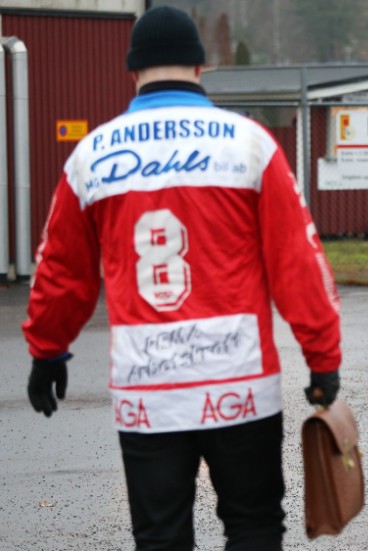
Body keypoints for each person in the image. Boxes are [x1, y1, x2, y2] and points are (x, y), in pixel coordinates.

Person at [21, 7, 343, 549]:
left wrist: (47, 350)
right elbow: (298, 262)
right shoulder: (249, 144)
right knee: (254, 524)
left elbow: (61, 271)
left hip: (149, 391)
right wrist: (322, 357)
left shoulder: (92, 156)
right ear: (200, 66)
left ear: (133, 71)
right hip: (240, 384)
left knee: (161, 537)